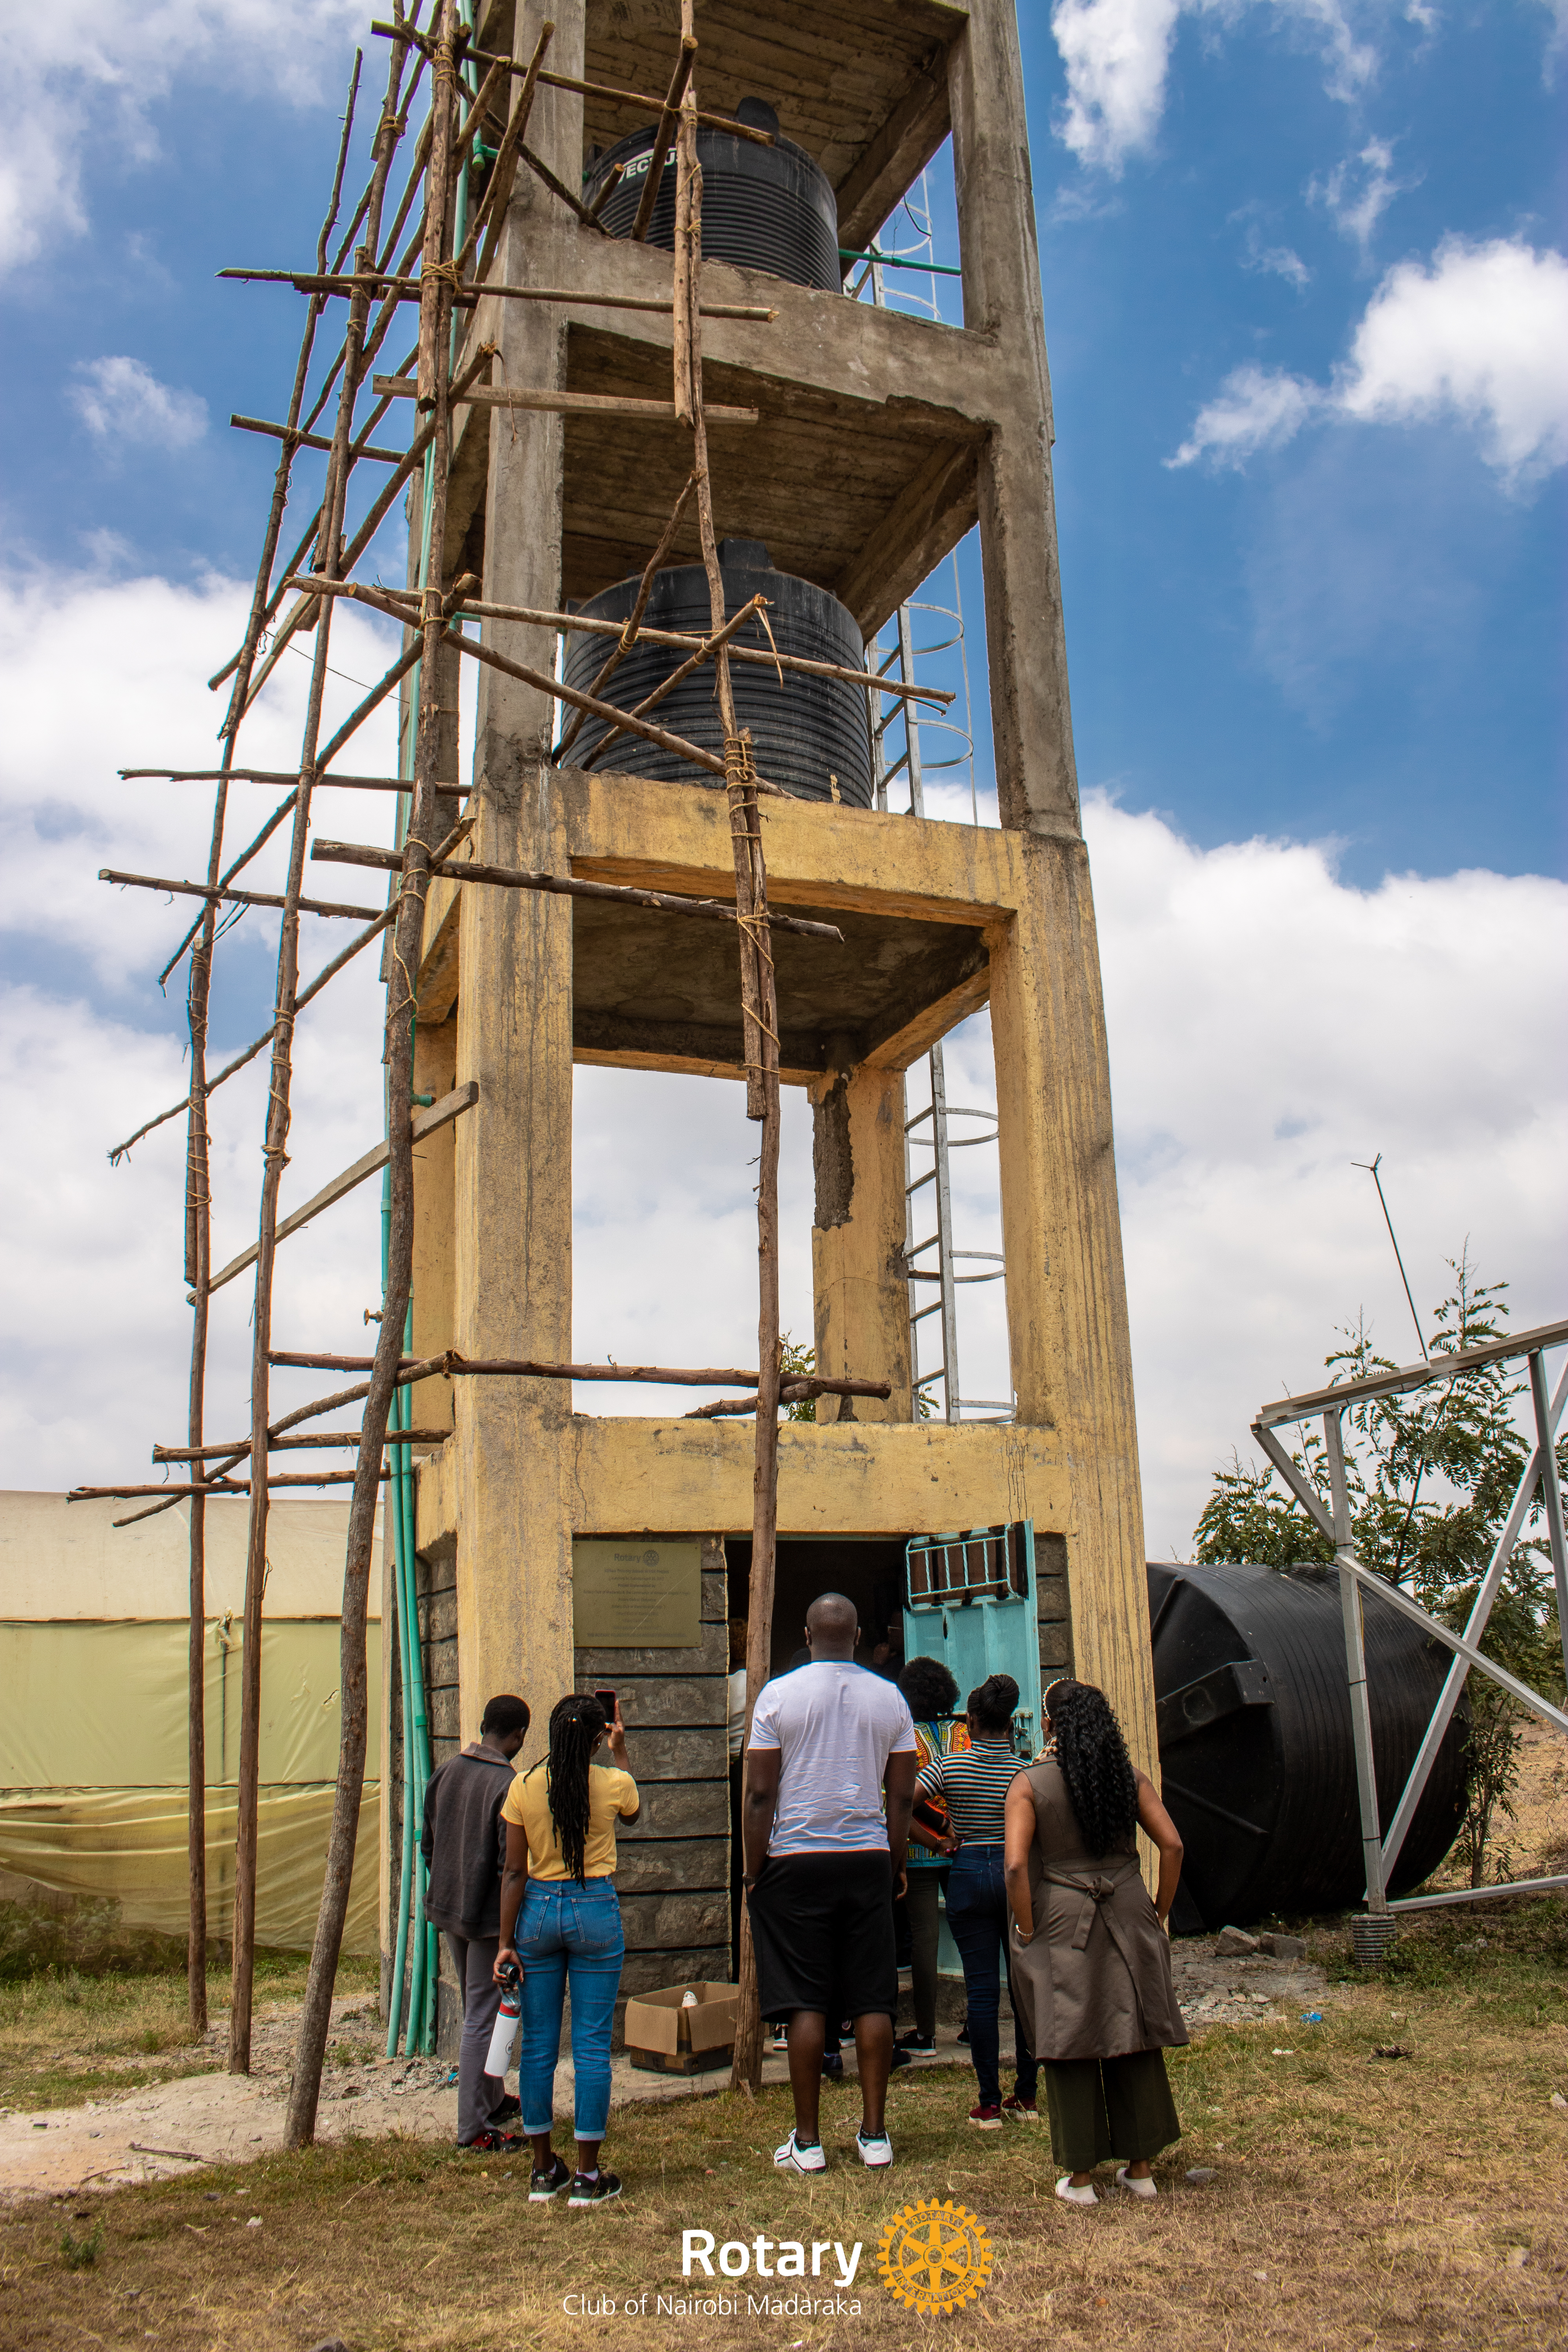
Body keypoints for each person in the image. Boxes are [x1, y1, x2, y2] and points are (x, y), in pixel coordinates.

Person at [742, 1593, 917, 2174]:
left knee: (804, 1998)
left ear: (808, 1634)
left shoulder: (778, 1695)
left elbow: (760, 1794)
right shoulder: (889, 1698)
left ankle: (809, 2143)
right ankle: (874, 2136)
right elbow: (901, 1795)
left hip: (794, 1859)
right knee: (873, 1994)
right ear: (861, 1635)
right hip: (866, 1855)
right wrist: (894, 1862)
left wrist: (754, 1867)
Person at [1004, 1677, 1188, 2206]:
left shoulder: (1029, 1783)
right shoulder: (1127, 1777)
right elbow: (1172, 1845)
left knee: (1070, 2031)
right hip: (1129, 1906)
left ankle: (1081, 2178)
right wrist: (1158, 1909)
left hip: (1062, 1914)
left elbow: (1017, 1865)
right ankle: (1142, 2168)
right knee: (1133, 2027)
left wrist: (1025, 1926)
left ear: (1048, 1723)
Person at [495, 1693, 639, 2207]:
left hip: (536, 1913)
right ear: (599, 1737)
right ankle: (586, 2175)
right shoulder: (614, 1782)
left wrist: (506, 1943)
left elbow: (514, 1871)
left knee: (537, 2047)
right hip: (595, 1909)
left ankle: (542, 2171)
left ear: (553, 1736)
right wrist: (620, 1753)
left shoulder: (524, 1786)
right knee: (592, 2047)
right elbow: (634, 1815)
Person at [914, 1672, 1039, 2125]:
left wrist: (937, 1840)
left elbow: (903, 1800)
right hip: (1014, 1874)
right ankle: (1027, 2094)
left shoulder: (950, 1765)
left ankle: (989, 2101)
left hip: (966, 1868)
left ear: (970, 1721)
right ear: (1009, 1723)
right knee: (1025, 1989)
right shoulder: (1025, 1772)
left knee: (981, 1992)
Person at [419, 1692, 530, 2152]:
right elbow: (512, 1868)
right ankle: (473, 2129)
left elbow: (427, 1841)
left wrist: (450, 1889)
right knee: (483, 2017)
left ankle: (491, 2098)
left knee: (473, 2011)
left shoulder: (446, 1771)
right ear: (520, 1735)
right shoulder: (508, 1785)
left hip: (448, 1911)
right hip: (487, 1922)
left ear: (484, 1725)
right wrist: (507, 1935)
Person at [895, 1656, 961, 2059]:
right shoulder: (964, 1732)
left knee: (924, 1941)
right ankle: (975, 2022)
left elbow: (897, 1801)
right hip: (963, 1849)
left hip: (920, 1850)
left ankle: (927, 2033)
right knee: (972, 1933)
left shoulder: (905, 1738)